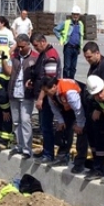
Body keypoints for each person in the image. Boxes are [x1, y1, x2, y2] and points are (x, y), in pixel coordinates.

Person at [2, 34, 39, 158]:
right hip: (14, 92)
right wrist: (6, 57)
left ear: (28, 44)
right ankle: (19, 145)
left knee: (25, 121)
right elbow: (8, 72)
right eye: (18, 47)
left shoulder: (35, 57)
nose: (20, 49)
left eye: (22, 47)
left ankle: (27, 148)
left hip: (26, 95)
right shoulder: (15, 56)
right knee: (17, 122)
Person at [83, 42, 104, 180]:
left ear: (97, 53)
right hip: (90, 107)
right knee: (92, 137)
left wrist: (98, 109)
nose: (87, 60)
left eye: (89, 57)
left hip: (99, 109)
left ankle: (99, 168)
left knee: (100, 138)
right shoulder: (94, 65)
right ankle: (95, 165)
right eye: (86, 57)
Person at [42, 77, 88, 174]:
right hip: (68, 107)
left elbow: (78, 109)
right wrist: (61, 121)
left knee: (81, 133)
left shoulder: (69, 92)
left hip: (82, 105)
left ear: (54, 87)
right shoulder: (52, 94)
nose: (47, 94)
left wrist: (80, 124)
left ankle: (80, 164)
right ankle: (62, 156)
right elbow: (53, 107)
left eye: (47, 91)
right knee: (62, 130)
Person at [30, 33, 61, 165]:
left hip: (48, 96)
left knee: (46, 125)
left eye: (36, 46)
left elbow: (49, 80)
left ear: (43, 41)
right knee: (44, 126)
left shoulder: (50, 56)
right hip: (43, 93)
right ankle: (46, 150)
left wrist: (41, 98)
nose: (36, 49)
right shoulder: (44, 54)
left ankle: (49, 154)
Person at [54, 6, 84, 79]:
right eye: (74, 14)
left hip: (76, 48)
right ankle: (65, 81)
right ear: (71, 15)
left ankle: (71, 80)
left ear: (79, 15)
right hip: (68, 47)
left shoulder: (80, 24)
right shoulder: (66, 23)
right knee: (67, 66)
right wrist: (61, 39)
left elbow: (81, 36)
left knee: (73, 67)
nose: (75, 16)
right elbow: (56, 30)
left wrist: (80, 47)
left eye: (77, 14)